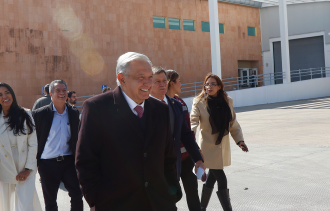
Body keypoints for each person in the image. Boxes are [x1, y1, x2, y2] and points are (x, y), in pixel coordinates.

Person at [76, 52, 180, 211]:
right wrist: (96, 201)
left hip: (159, 203)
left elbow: (168, 156)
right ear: (122, 78)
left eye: (150, 77)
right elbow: (86, 160)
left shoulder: (161, 109)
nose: (148, 83)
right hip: (115, 205)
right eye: (140, 77)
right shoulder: (97, 108)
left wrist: (172, 191)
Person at [190, 73, 248, 211]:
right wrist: (190, 143)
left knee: (212, 177)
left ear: (219, 86)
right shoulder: (199, 102)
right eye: (207, 84)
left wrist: (240, 141)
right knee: (221, 178)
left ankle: (202, 207)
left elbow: (233, 122)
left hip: (222, 144)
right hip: (206, 146)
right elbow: (193, 122)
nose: (209, 87)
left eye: (212, 84)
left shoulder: (227, 101)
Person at [0, 83, 42, 211]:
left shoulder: (26, 114)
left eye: (7, 92)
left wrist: (28, 168)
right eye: (0, 95)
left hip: (25, 169)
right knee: (4, 207)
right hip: (4, 169)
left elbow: (33, 144)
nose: (4, 96)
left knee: (26, 206)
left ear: (12, 94)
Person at [33, 80, 83, 211]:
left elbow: (78, 137)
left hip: (69, 162)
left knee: (77, 195)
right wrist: (35, 162)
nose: (61, 93)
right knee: (50, 202)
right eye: (57, 90)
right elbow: (33, 139)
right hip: (47, 163)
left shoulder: (73, 113)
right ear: (50, 94)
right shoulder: (40, 114)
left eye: (64, 90)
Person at [160, 68, 204, 211]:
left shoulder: (179, 103)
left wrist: (196, 154)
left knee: (192, 193)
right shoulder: (155, 105)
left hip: (185, 159)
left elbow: (186, 132)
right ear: (171, 83)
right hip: (168, 162)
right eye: (179, 81)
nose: (181, 84)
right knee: (170, 197)